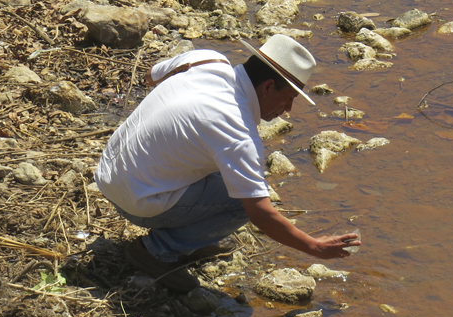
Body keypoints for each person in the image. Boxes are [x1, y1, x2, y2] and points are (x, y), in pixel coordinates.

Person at [94, 35, 361, 293]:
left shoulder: (206, 60)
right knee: (242, 201)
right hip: (135, 201)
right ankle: (156, 250)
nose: (288, 108)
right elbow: (261, 215)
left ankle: (188, 235)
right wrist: (314, 247)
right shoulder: (238, 131)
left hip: (107, 173)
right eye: (288, 97)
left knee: (231, 175)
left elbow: (151, 76)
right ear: (268, 87)